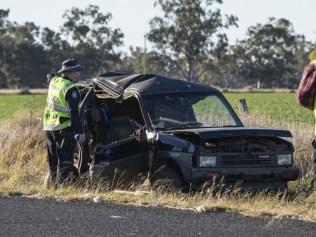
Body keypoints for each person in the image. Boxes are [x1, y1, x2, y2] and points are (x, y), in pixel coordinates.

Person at [43, 59, 85, 186]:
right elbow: (74, 114)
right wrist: (81, 132)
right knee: (65, 161)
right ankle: (64, 187)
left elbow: (49, 76)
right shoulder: (71, 89)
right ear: (70, 72)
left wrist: (51, 76)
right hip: (63, 128)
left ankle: (51, 185)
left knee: (53, 160)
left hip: (49, 127)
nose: (78, 74)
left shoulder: (55, 81)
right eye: (77, 71)